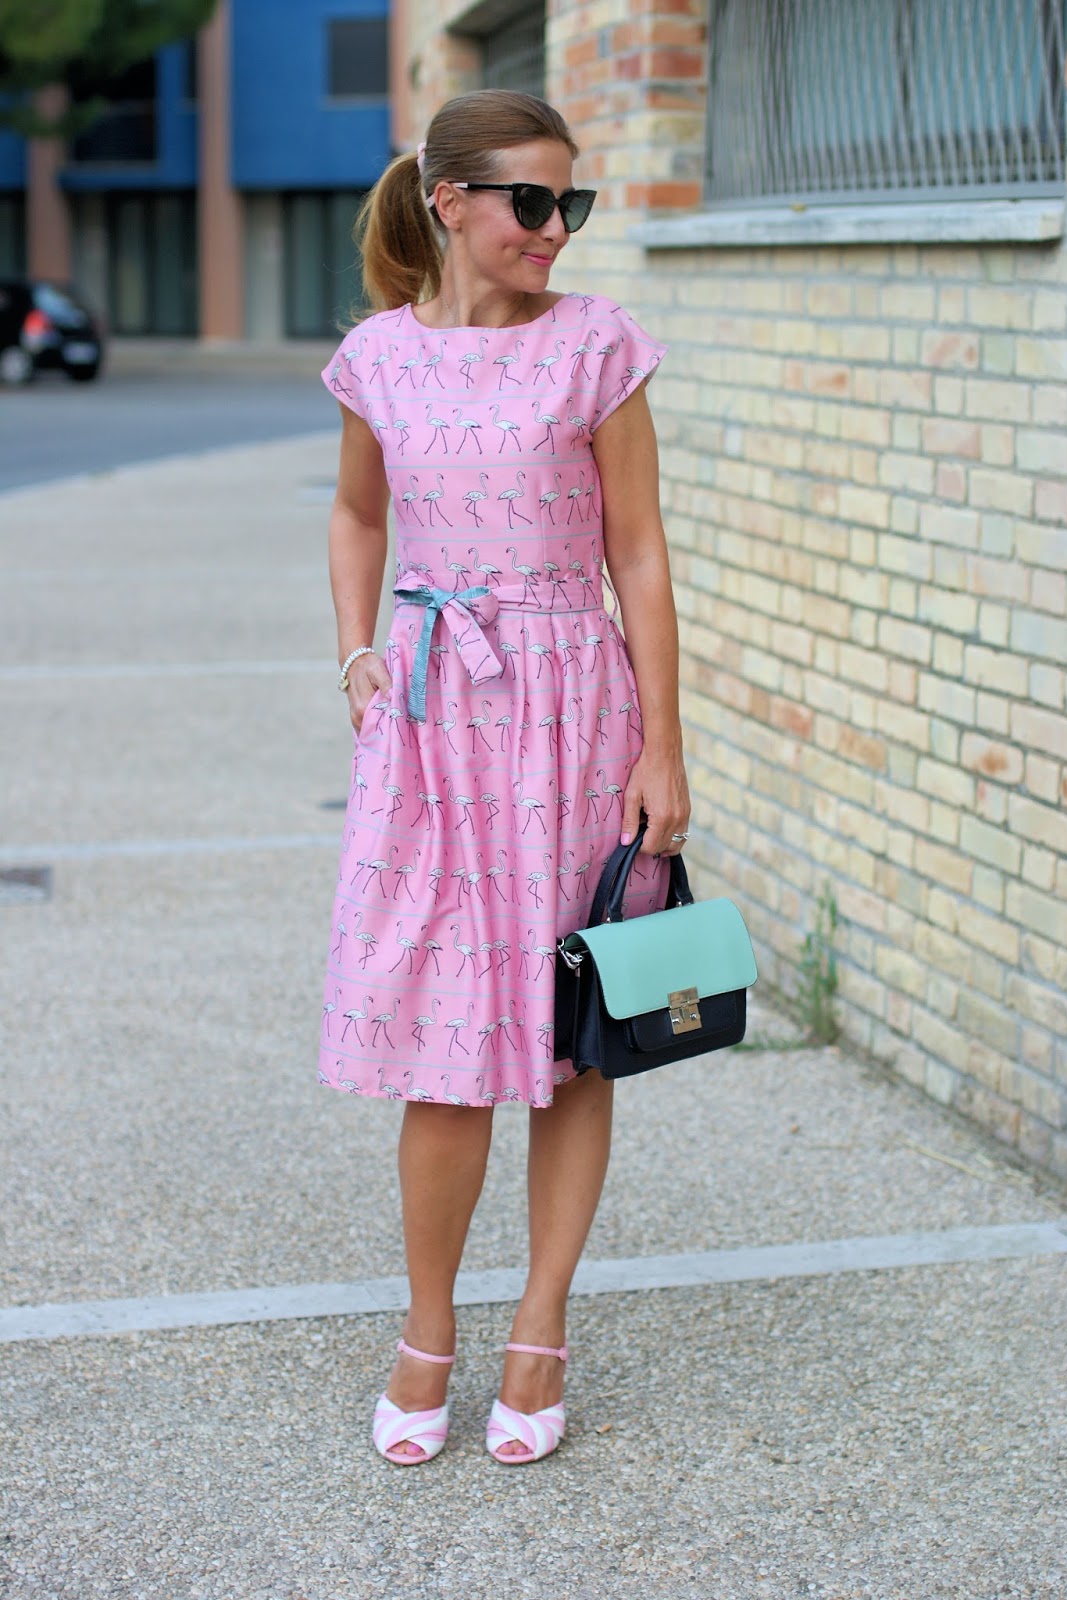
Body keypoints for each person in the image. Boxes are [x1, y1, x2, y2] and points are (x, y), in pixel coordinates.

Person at [318, 88, 690, 1466]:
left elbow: (638, 551)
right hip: (430, 713)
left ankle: (541, 1325)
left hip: (574, 709)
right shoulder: (376, 357)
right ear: (449, 204)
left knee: (574, 1030)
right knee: (441, 1039)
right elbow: (360, 514)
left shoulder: (599, 345)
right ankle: (429, 1334)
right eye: (530, 202)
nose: (554, 229)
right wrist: (354, 654)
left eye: (569, 203)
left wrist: (666, 743)